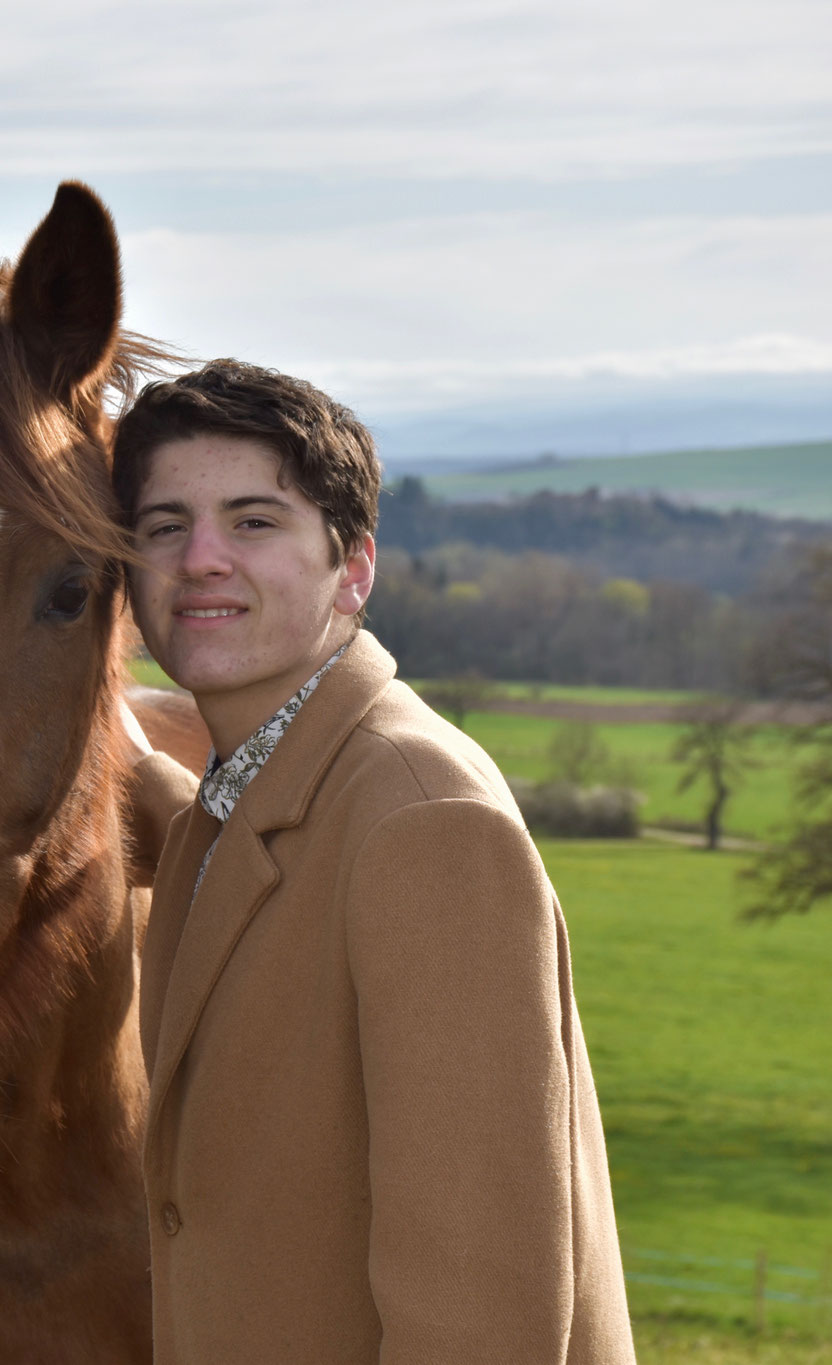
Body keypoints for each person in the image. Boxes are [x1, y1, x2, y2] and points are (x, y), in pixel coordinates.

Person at [114, 360, 636, 1362]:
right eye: (163, 526)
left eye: (254, 522)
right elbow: (253, 879)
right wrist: (117, 754)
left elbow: (478, 1309)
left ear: (350, 568)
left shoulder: (425, 823)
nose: (202, 559)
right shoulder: (252, 793)